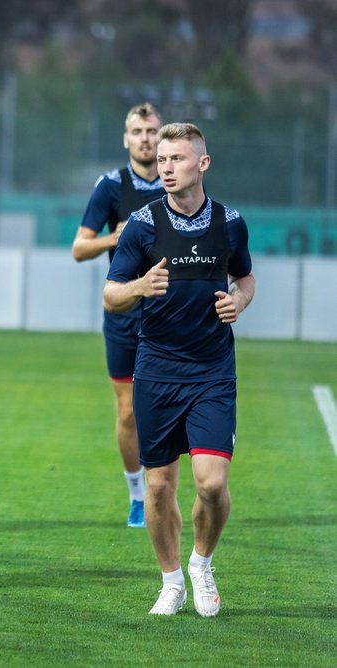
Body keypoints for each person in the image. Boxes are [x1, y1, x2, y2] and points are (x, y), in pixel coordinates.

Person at [103, 122, 254, 617]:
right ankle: (170, 582)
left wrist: (238, 301)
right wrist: (139, 287)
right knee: (159, 485)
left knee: (211, 484)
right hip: (157, 370)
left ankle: (201, 563)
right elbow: (111, 295)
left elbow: (246, 276)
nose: (166, 167)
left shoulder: (230, 223)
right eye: (162, 159)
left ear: (202, 164)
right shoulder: (142, 225)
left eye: (178, 159)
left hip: (212, 370)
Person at [72, 103, 165, 528]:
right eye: (137, 131)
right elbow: (79, 248)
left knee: (165, 407)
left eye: (151, 131)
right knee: (127, 411)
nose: (145, 138)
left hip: (170, 312)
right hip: (126, 311)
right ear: (126, 139)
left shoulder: (176, 180)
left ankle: (163, 487)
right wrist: (117, 235)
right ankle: (137, 495)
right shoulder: (111, 186)